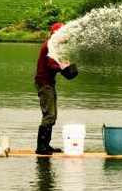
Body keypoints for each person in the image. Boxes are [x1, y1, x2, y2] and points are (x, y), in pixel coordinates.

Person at [34, 22, 69, 155]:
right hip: (44, 83)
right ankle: (41, 147)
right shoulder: (50, 45)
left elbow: (53, 61)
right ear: (54, 33)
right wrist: (62, 67)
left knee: (52, 116)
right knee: (49, 116)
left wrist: (62, 63)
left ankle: (46, 145)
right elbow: (50, 64)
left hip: (49, 83)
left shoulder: (53, 45)